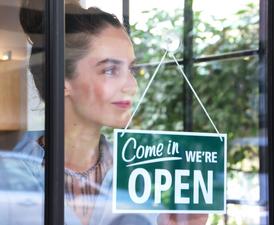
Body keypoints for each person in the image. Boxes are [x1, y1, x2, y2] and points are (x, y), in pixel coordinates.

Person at [16, 1, 208, 225]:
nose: (132, 86)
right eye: (110, 70)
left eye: (131, 69)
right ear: (62, 80)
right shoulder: (9, 170)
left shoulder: (147, 177)